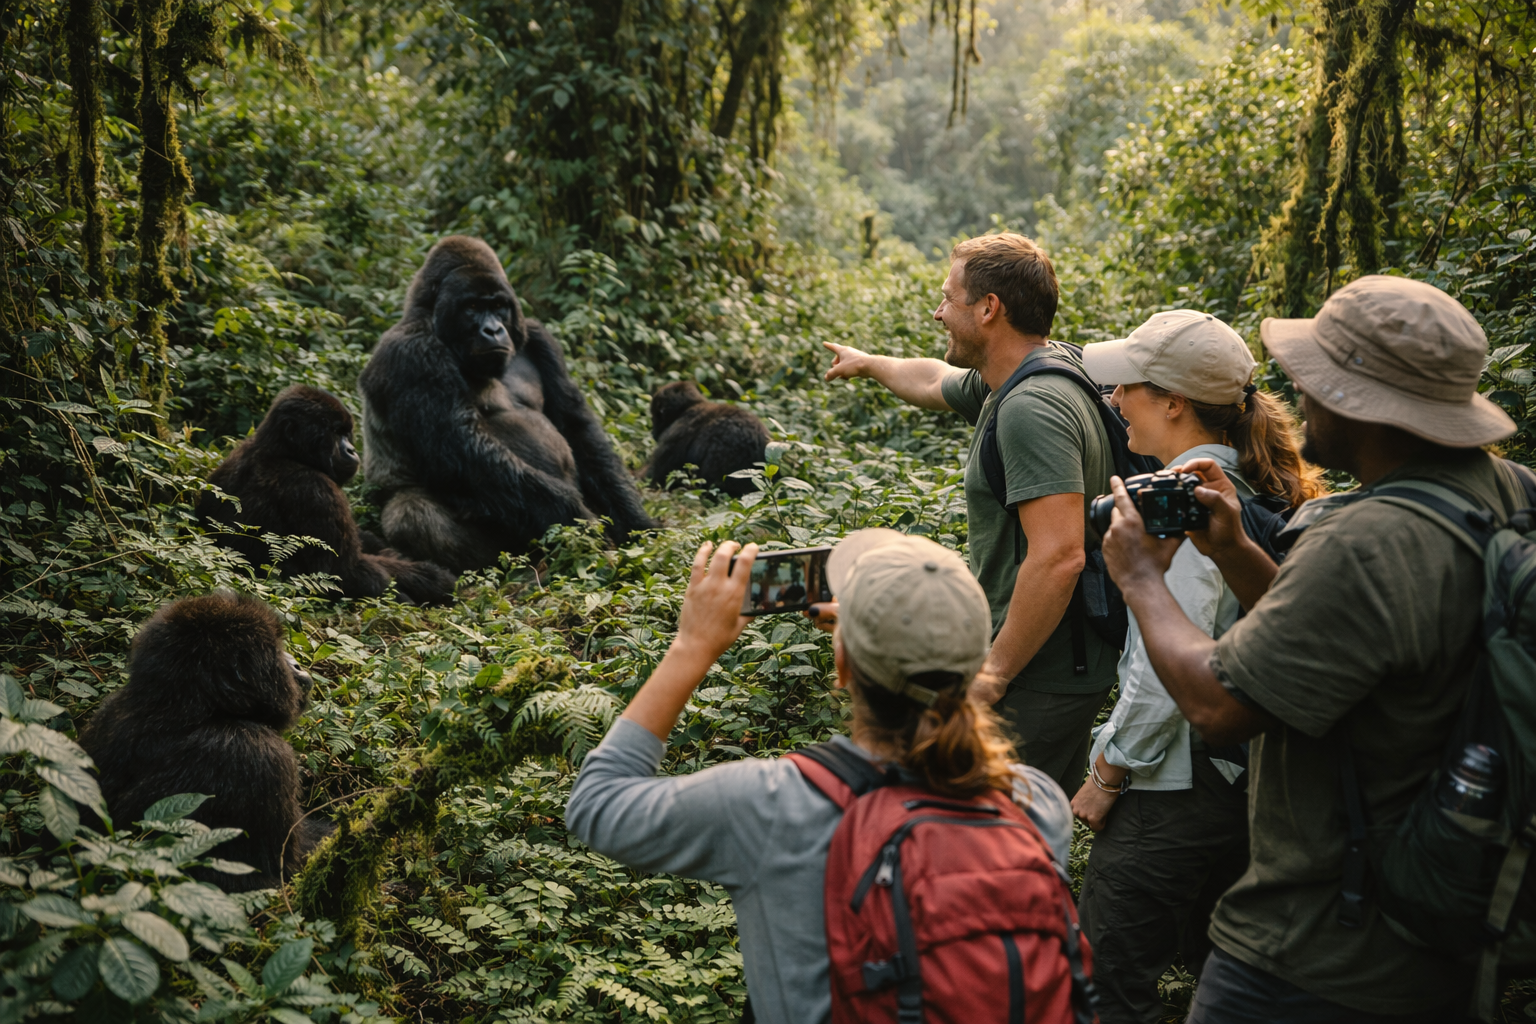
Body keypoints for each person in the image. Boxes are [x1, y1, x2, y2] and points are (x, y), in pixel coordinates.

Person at [1097, 276, 1531, 1022]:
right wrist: (1235, 549)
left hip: (1316, 946)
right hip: (1446, 910)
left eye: (1316, 380)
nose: (1298, 394)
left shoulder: (1364, 541)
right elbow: (1344, 645)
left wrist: (1140, 576)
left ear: (1362, 400)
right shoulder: (1511, 495)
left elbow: (1219, 704)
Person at [564, 530, 1072, 1024]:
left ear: (844, 667)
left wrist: (692, 645)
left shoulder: (773, 804)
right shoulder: (1034, 802)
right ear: (975, 665)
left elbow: (598, 802)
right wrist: (867, 645)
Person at [1065, 310, 1324, 1024]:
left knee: (1103, 978)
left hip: (1175, 779)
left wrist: (1108, 772)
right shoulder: (1256, 486)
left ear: (1173, 401)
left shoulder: (1184, 502)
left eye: (1128, 388)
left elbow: (1163, 664)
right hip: (1246, 778)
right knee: (1224, 967)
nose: (1115, 402)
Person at [823, 233, 1116, 795]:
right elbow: (933, 379)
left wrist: (992, 676)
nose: (938, 313)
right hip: (1050, 663)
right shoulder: (1028, 372)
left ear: (988, 308)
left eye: (947, 299)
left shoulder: (1032, 407)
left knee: (989, 843)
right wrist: (868, 364)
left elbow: (1059, 555)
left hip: (1039, 672)